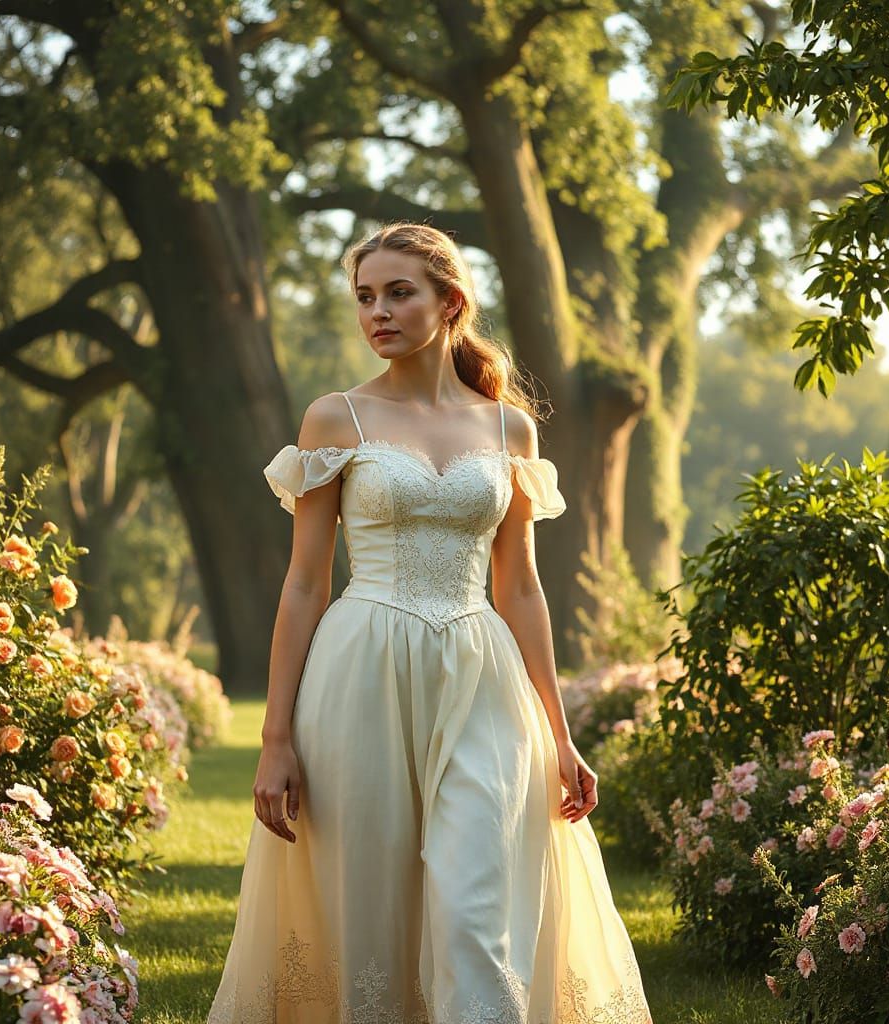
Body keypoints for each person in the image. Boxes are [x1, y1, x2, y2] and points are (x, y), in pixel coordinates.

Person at [207, 222, 652, 1024]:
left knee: (476, 909)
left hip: (483, 676)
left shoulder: (509, 428)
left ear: (451, 303)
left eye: (398, 292)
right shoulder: (335, 419)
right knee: (371, 910)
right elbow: (305, 585)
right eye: (365, 297)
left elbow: (520, 588)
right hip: (361, 673)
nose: (378, 311)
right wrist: (276, 739)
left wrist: (559, 731)